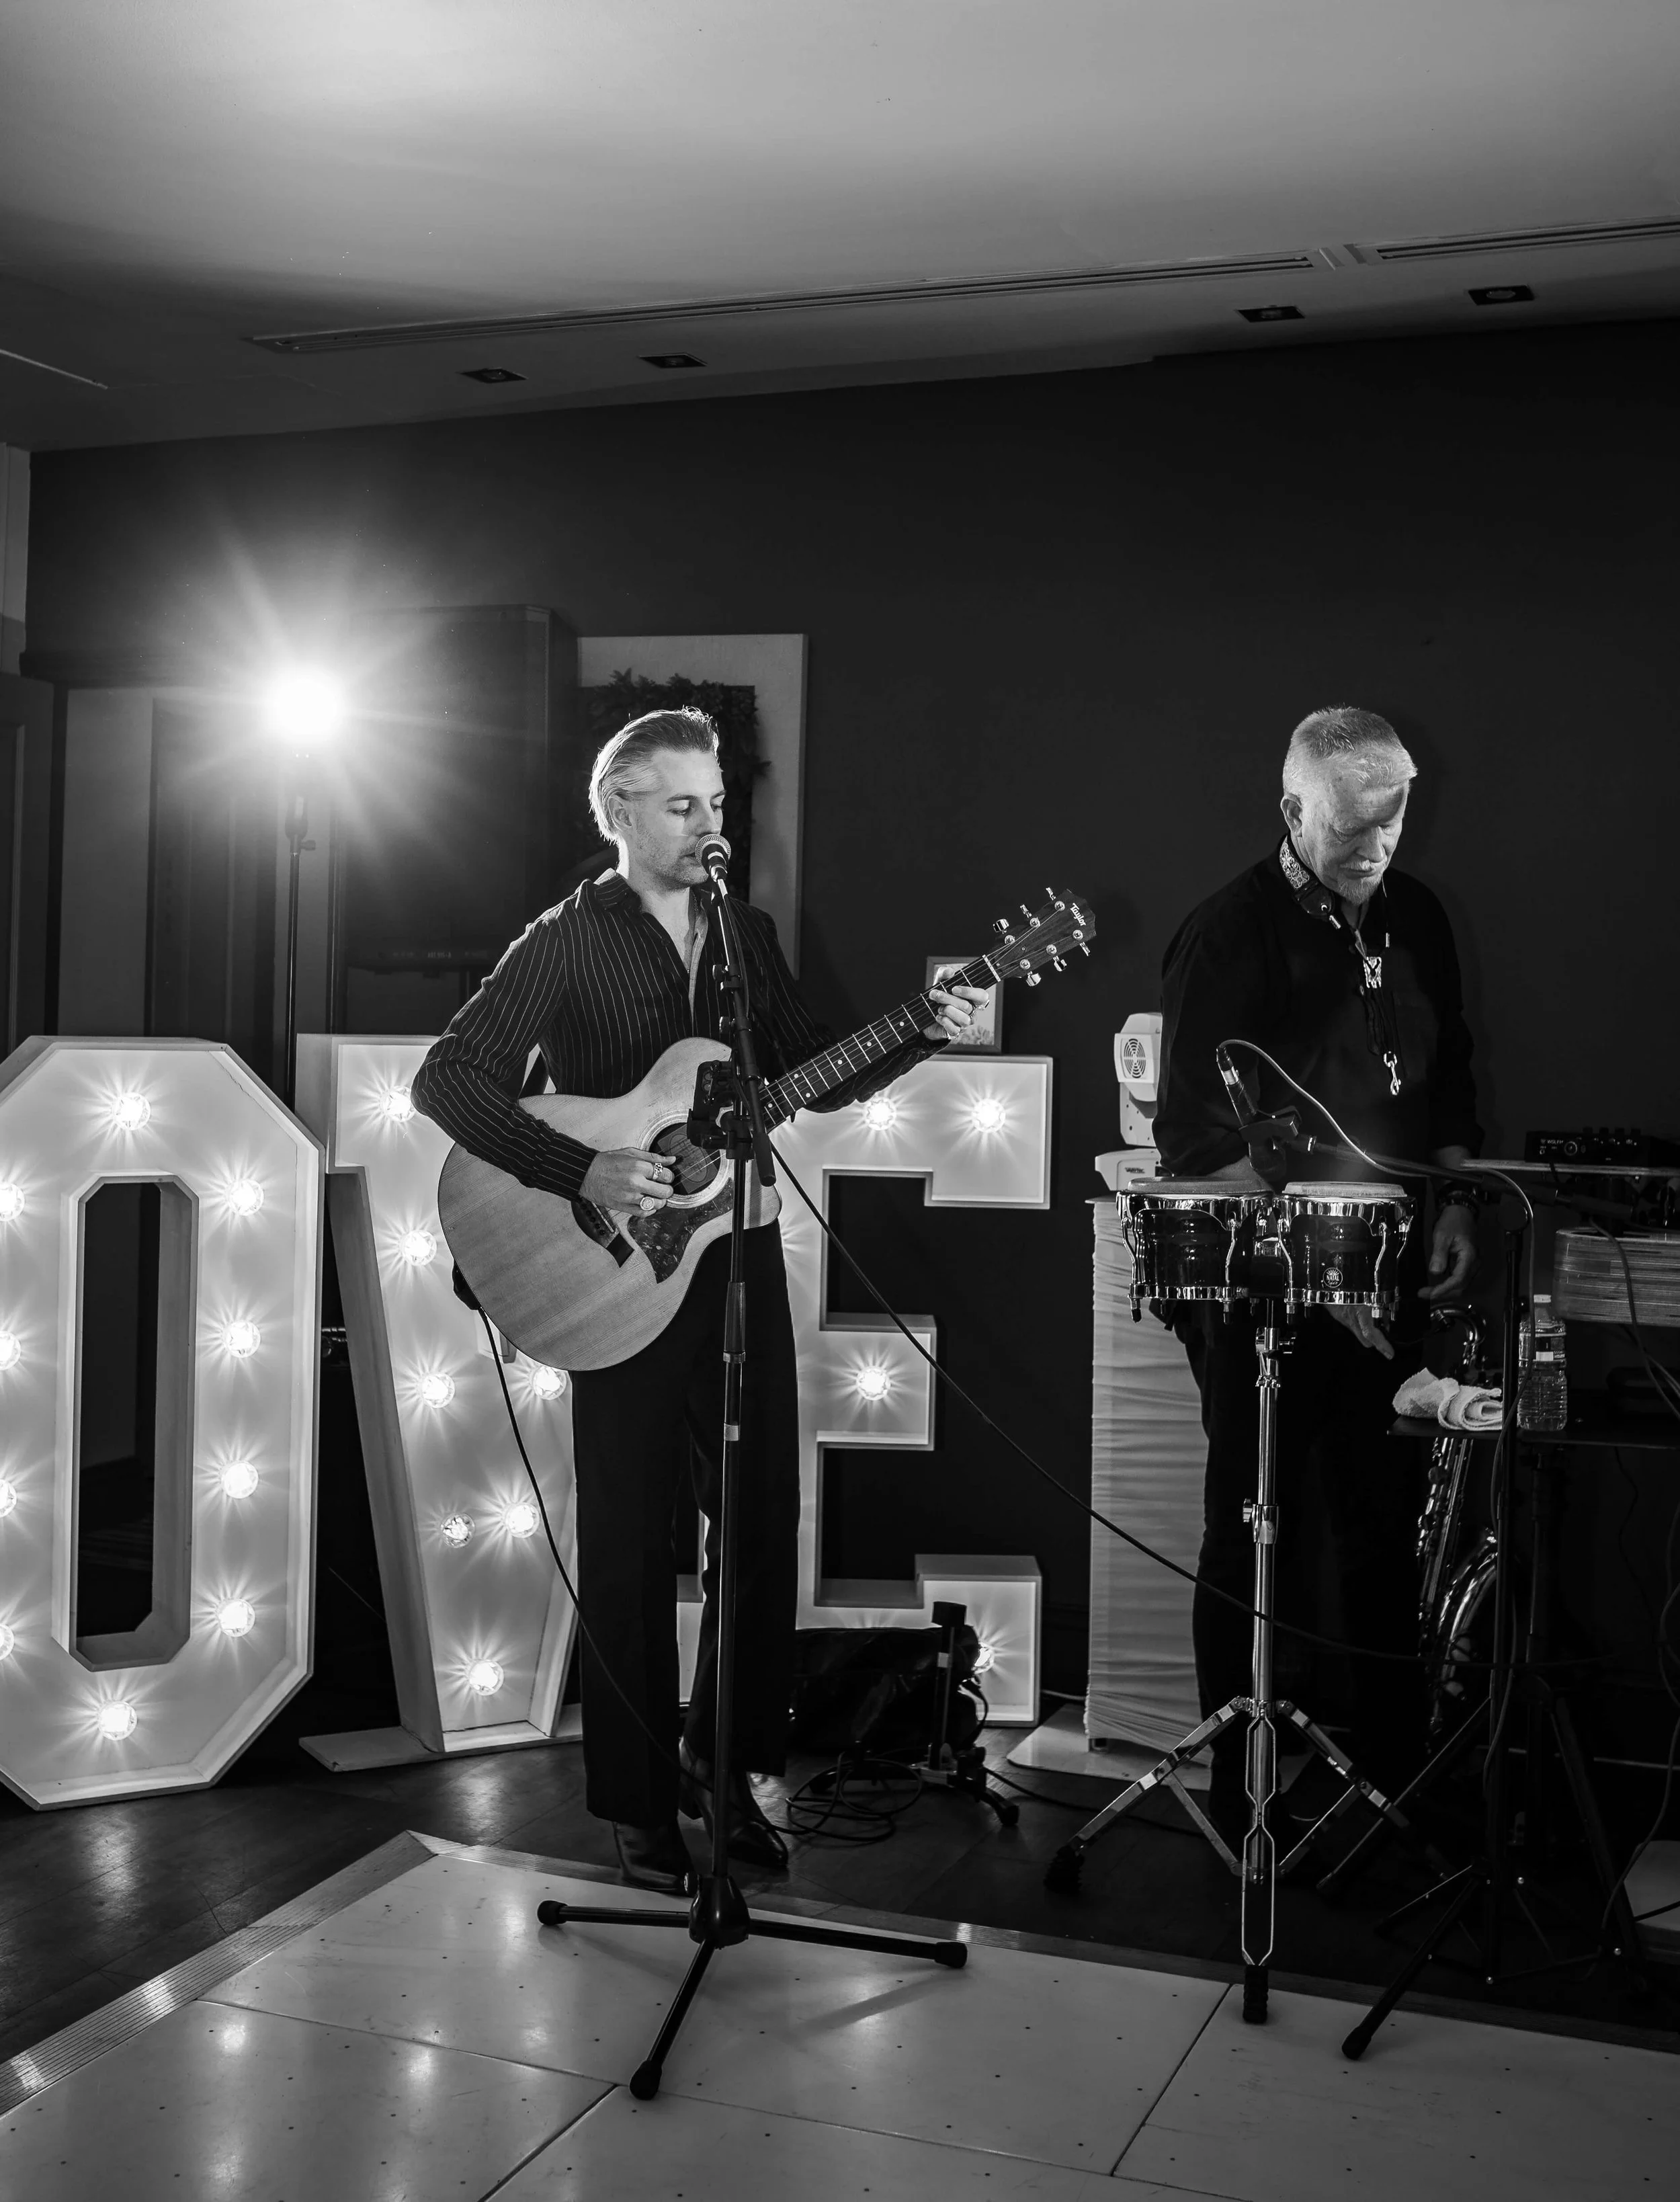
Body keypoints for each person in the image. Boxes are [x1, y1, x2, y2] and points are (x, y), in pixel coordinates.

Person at [412, 707, 985, 1892]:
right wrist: (585, 1167)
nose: (709, 827)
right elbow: (446, 1079)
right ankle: (630, 1802)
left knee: (762, 1518)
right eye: (682, 806)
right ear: (618, 811)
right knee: (628, 1539)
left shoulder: (743, 934)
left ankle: (723, 1772)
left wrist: (924, 1028)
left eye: (718, 805)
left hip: (735, 1255)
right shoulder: (566, 940)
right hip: (613, 1268)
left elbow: (810, 1069)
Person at [1152, 705, 1482, 1828]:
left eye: (1395, 825)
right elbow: (1194, 1150)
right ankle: (1241, 1773)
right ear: (1292, 810)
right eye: (1353, 832)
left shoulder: (1418, 916)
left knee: (1381, 1519)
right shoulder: (1225, 936)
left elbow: (1448, 1075)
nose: (1378, 852)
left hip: (1391, 1263)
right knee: (1255, 1512)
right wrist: (1322, 1263)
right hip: (1262, 1279)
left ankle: (1394, 1776)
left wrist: (1452, 1204)